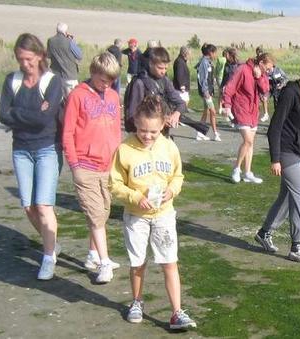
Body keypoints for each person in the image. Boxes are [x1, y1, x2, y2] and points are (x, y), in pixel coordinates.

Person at [110, 95, 197, 330]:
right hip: (136, 216)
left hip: (164, 215)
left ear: (163, 126)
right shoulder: (124, 149)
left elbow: (178, 175)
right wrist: (136, 197)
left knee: (170, 262)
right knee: (138, 262)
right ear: (135, 124)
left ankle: (177, 312)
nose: (147, 136)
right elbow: (115, 184)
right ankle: (137, 301)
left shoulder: (169, 147)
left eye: (153, 132)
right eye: (142, 130)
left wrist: (172, 190)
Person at [0, 33, 65, 281]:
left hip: (47, 147)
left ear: (39, 56)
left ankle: (48, 257)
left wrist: (19, 113)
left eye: (28, 59)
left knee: (44, 205)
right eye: (19, 59)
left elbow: (46, 119)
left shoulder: (52, 81)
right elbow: (3, 115)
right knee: (28, 206)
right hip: (21, 149)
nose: (24, 64)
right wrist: (33, 112)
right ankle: (53, 243)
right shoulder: (12, 81)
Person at [254, 53, 300, 264]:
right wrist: (275, 159)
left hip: (297, 153)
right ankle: (297, 247)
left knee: (286, 198)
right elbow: (274, 128)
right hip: (285, 152)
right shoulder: (290, 92)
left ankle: (264, 233)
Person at [62, 52, 123, 284]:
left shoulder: (113, 97)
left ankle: (93, 254)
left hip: (108, 166)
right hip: (85, 165)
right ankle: (105, 263)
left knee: (103, 212)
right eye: (103, 79)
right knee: (96, 215)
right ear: (93, 73)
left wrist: (118, 161)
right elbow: (67, 133)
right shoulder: (77, 96)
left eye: (110, 80)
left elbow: (117, 129)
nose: (106, 84)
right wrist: (75, 165)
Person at [124, 47, 208, 139]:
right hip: (143, 137)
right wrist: (161, 121)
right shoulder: (139, 83)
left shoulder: (164, 81)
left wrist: (176, 115)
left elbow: (181, 103)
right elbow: (132, 116)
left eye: (166, 68)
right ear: (151, 64)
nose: (163, 71)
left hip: (161, 136)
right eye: (160, 68)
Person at [222, 53, 274, 184]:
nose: (268, 71)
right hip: (241, 109)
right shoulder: (243, 69)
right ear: (261, 63)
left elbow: (266, 90)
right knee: (248, 141)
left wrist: (259, 77)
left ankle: (247, 173)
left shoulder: (262, 75)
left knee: (251, 143)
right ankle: (236, 169)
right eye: (267, 68)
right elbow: (229, 88)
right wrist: (227, 105)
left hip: (253, 111)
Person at [47, 23, 83, 94]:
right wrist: (72, 41)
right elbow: (79, 56)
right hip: (70, 76)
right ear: (66, 32)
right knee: (72, 100)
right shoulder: (69, 42)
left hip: (55, 75)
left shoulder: (50, 41)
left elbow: (48, 55)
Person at [195, 43, 219, 141]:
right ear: (210, 53)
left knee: (206, 112)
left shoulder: (208, 62)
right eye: (215, 53)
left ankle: (199, 132)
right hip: (205, 92)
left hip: (209, 90)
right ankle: (215, 133)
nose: (215, 55)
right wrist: (206, 92)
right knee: (213, 111)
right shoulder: (204, 63)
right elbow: (202, 79)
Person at [219, 47, 240, 126]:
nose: (226, 56)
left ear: (231, 55)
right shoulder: (227, 64)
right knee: (229, 105)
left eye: (227, 55)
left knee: (236, 105)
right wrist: (222, 86)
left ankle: (237, 120)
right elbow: (225, 76)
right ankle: (233, 121)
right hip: (228, 87)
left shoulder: (238, 65)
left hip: (237, 88)